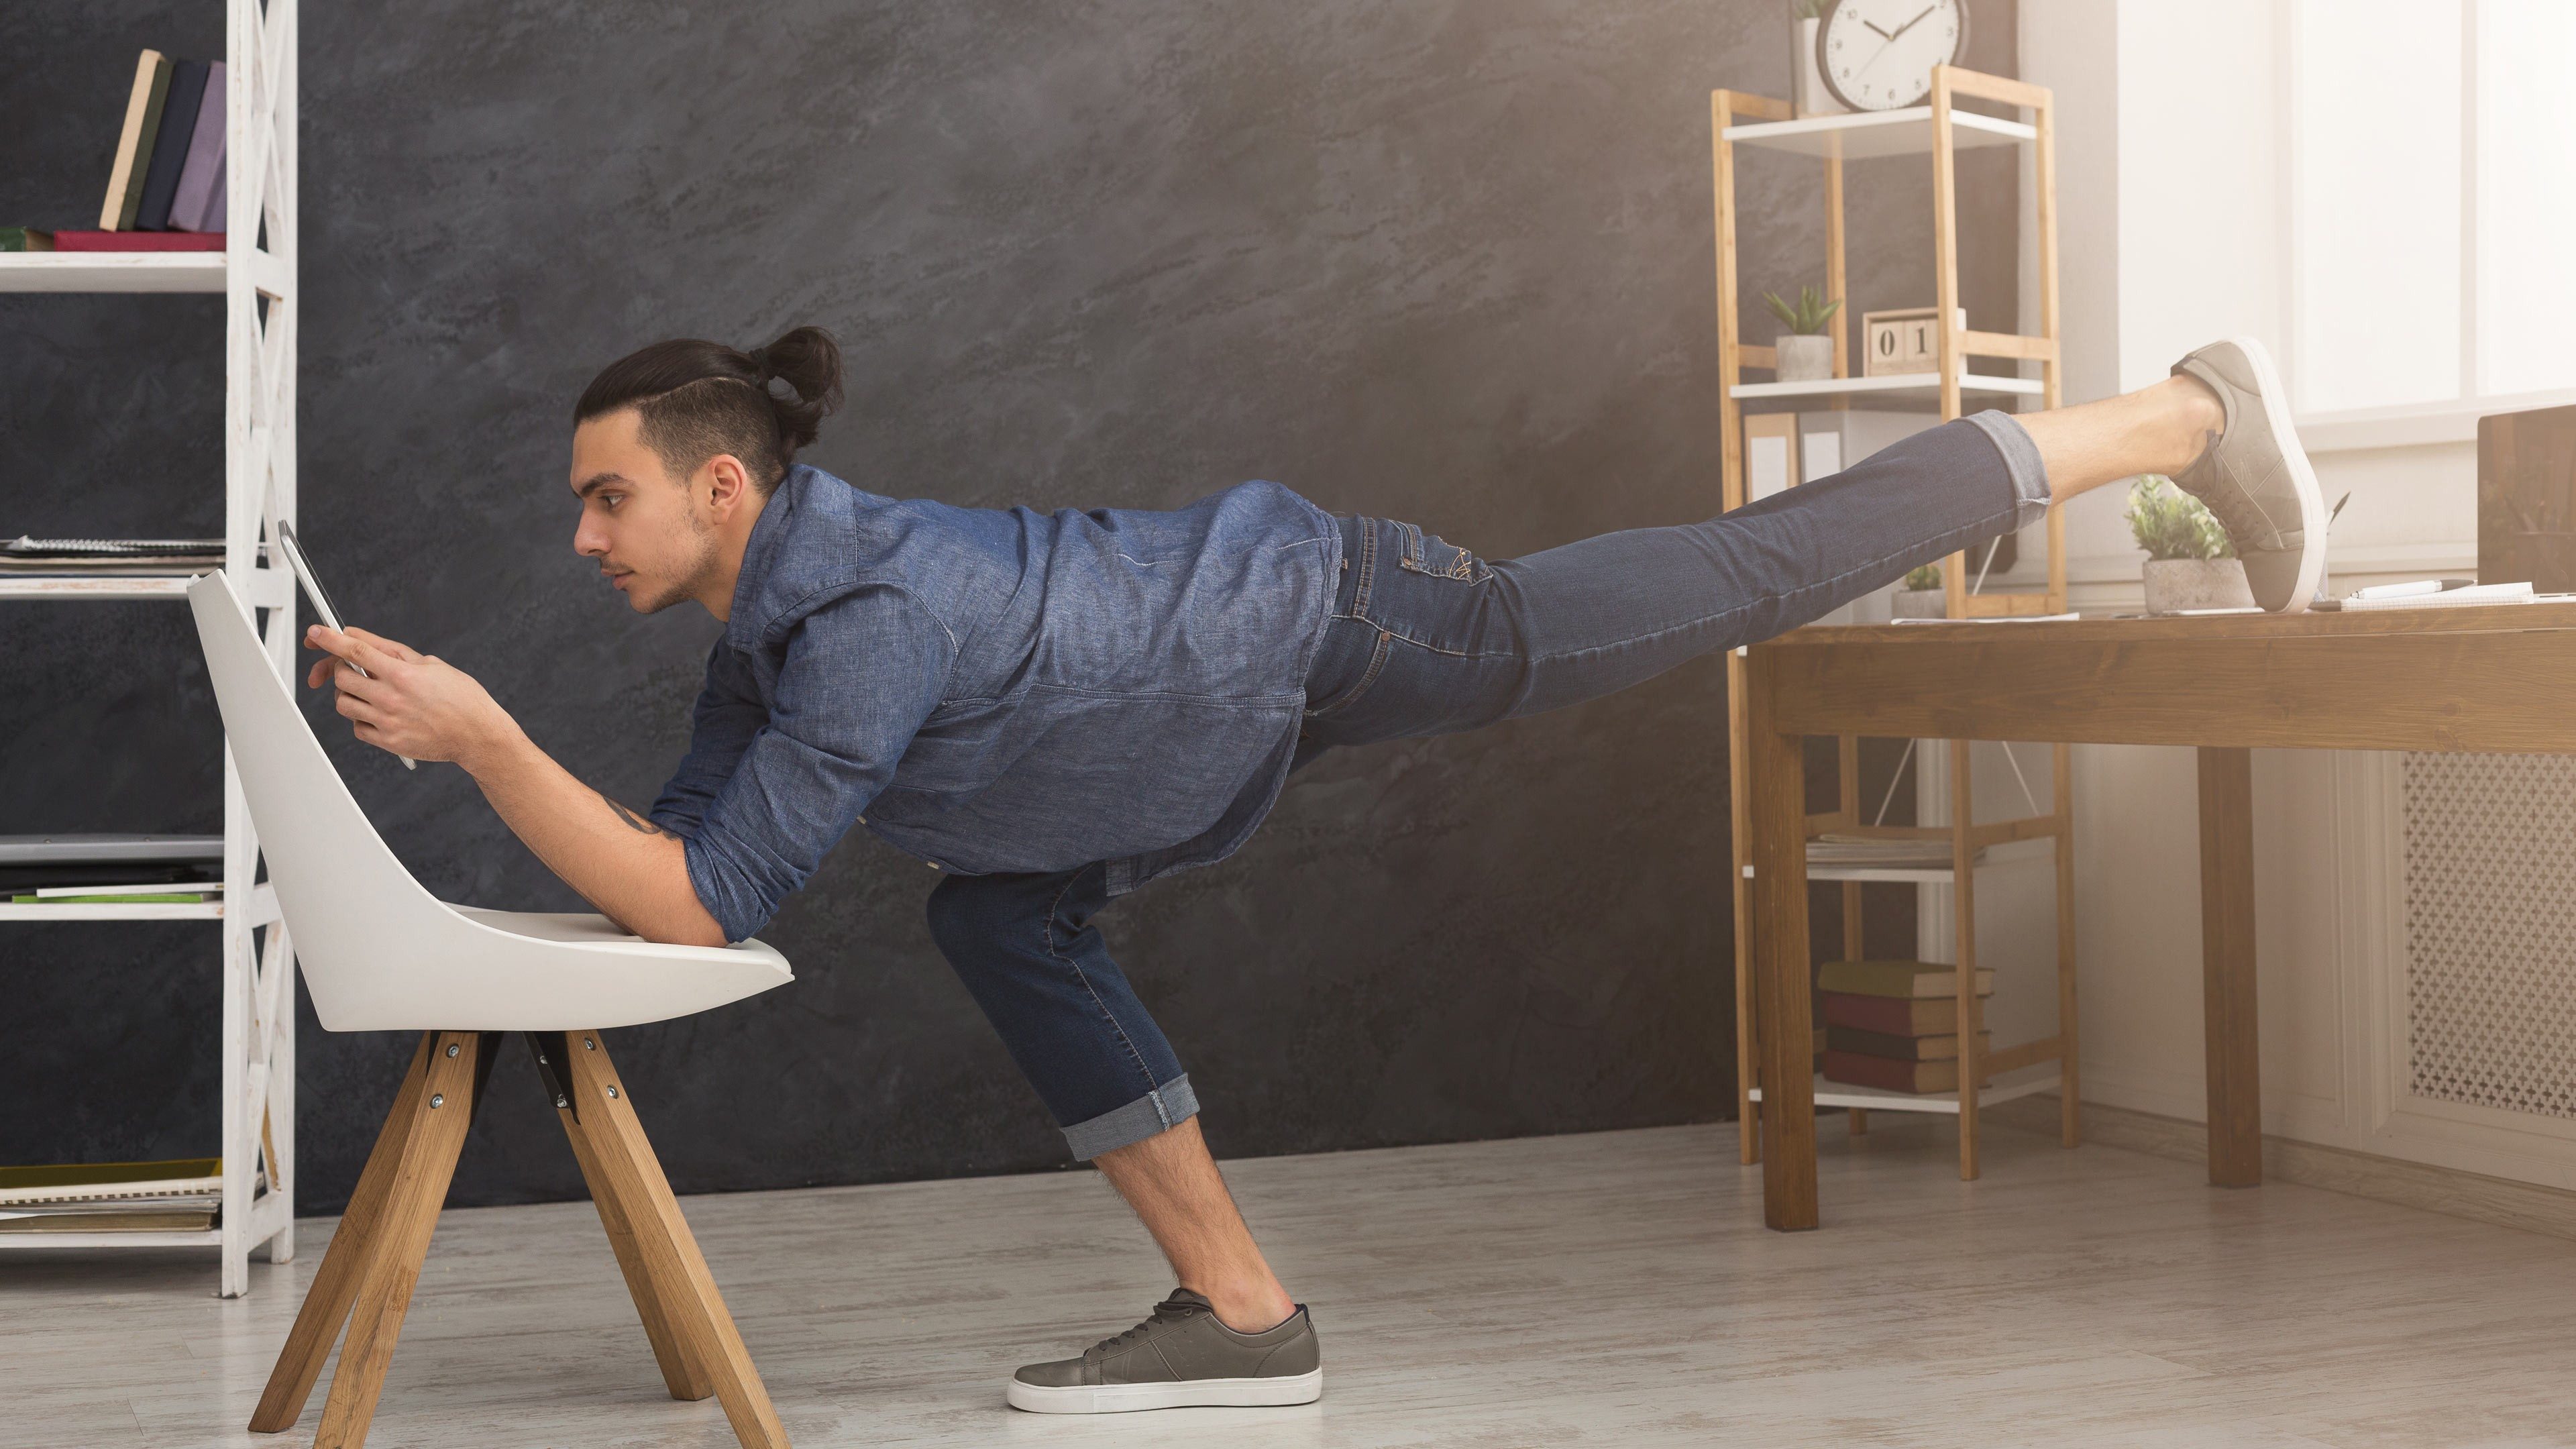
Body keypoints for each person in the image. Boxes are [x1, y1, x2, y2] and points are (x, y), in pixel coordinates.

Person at [303, 326, 2323, 1415]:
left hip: (1335, 614)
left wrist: (482, 738)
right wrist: (497, 766)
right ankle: (1247, 1315)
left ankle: (2176, 412)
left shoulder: (862, 626)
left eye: (607, 501)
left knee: (1735, 578)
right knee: (1001, 914)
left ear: (719, 486)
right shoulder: (775, 626)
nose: (584, 539)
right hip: (1224, 686)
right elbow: (684, 862)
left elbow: (698, 907)